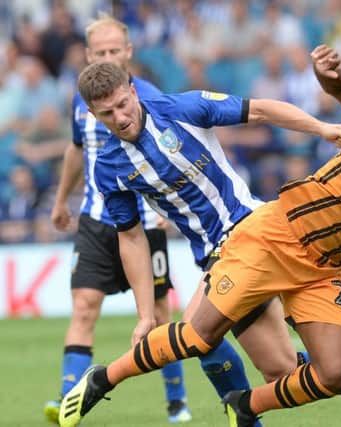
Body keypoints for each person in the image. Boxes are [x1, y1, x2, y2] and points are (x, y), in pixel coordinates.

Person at [58, 44, 341, 427]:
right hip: (268, 238)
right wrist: (331, 76)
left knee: (315, 371)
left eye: (122, 105)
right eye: (106, 113)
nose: (118, 117)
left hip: (289, 250)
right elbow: (131, 237)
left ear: (133, 90)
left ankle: (247, 406)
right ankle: (106, 378)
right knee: (248, 357)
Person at [44, 14, 193, 424]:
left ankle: (177, 401)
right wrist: (61, 200)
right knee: (84, 308)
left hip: (144, 222)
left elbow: (174, 151)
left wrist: (171, 208)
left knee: (160, 315)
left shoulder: (147, 97)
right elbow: (77, 149)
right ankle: (67, 398)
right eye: (100, 51)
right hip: (96, 220)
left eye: (115, 50)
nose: (107, 56)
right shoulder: (83, 99)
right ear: (88, 54)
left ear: (127, 51)